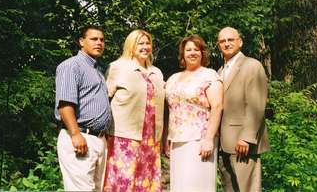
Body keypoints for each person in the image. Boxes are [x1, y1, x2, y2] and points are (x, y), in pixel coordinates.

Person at [103, 29, 165, 192]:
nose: (145, 47)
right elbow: (104, 99)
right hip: (125, 136)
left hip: (151, 138)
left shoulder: (156, 72)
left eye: (148, 43)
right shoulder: (117, 67)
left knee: (146, 180)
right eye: (140, 43)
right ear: (131, 45)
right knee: (124, 179)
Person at [54, 25, 111, 191]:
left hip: (99, 140)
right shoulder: (71, 66)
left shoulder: (98, 70)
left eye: (102, 40)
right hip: (80, 137)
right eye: (94, 39)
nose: (99, 43)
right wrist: (75, 134)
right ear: (81, 41)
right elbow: (65, 104)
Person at [165, 34, 223, 192]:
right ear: (182, 54)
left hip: (199, 140)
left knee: (197, 185)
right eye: (188, 49)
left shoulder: (209, 75)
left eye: (196, 49)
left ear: (202, 53)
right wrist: (166, 138)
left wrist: (209, 139)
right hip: (177, 140)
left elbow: (217, 107)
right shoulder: (173, 78)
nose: (192, 53)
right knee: (180, 185)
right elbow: (169, 109)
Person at [217, 27, 270, 192]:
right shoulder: (220, 71)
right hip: (223, 144)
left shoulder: (252, 66)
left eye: (230, 39)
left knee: (247, 189)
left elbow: (256, 104)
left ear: (240, 42)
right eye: (222, 41)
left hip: (243, 143)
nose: (226, 44)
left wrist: (246, 137)